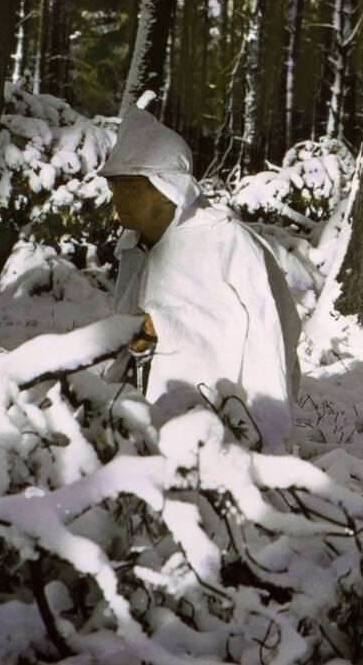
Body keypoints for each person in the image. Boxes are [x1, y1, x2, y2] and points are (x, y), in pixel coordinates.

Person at [100, 106, 300, 452]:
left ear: (164, 189)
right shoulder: (134, 247)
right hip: (146, 426)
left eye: (126, 186)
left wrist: (268, 433)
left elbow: (269, 337)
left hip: (220, 428)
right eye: (112, 184)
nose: (114, 197)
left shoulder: (226, 242)